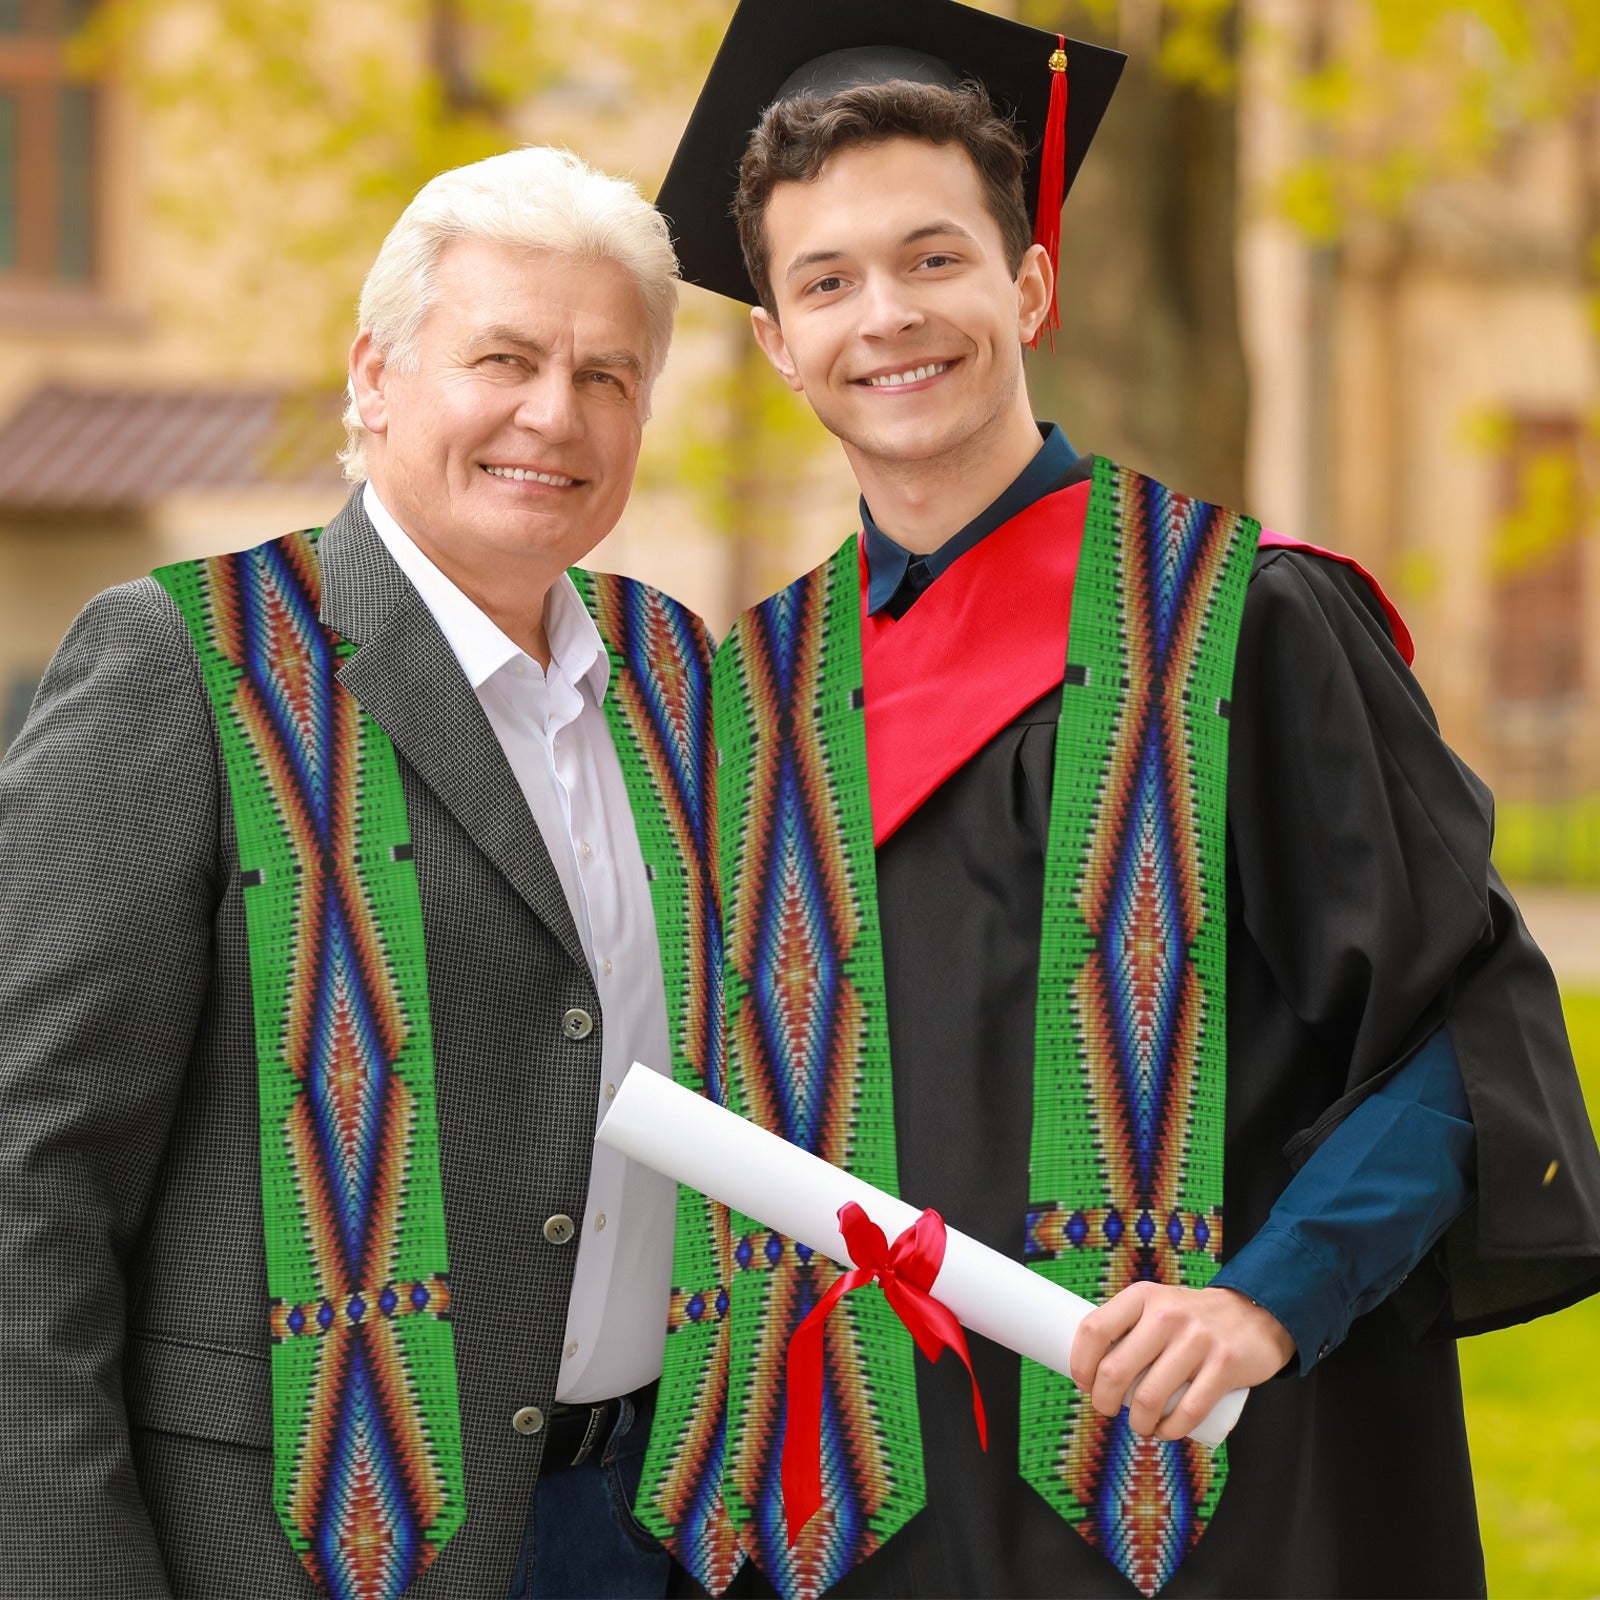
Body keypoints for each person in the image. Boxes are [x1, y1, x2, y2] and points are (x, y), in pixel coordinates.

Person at [634, 3, 1600, 1597]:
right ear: (777, 341)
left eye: (934, 258)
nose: (887, 316)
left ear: (1029, 282)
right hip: (856, 1526)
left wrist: (1270, 1299)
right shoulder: (744, 702)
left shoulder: (1247, 625)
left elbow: (1461, 1034)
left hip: (1202, 1496)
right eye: (827, 281)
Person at [0, 146, 721, 1600]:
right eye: (503, 357)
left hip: (649, 1528)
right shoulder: (184, 664)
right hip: (293, 1544)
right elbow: (28, 1174)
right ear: (375, 377)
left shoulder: (677, 679)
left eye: (605, 375)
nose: (552, 413)